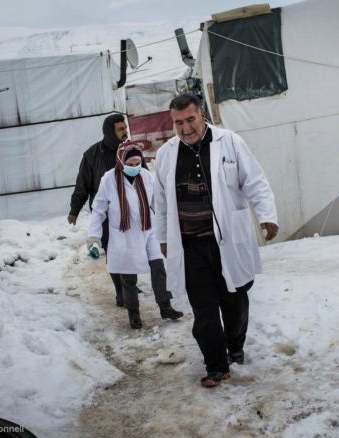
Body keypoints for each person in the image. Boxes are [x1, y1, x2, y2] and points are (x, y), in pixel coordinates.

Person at [153, 93, 279, 387]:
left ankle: (235, 344)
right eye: (178, 123)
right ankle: (215, 365)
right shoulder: (166, 154)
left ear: (202, 116)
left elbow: (255, 181)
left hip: (227, 242)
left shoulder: (229, 142)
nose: (185, 128)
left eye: (190, 120)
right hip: (190, 245)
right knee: (204, 309)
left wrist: (267, 215)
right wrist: (162, 238)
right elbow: (160, 202)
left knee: (235, 302)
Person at [87, 142, 183, 329]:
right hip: (124, 234)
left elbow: (157, 204)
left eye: (137, 163)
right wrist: (94, 237)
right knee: (128, 277)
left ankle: (165, 306)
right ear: (121, 161)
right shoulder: (109, 179)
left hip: (148, 229)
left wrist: (170, 225)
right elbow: (98, 210)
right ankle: (134, 313)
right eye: (130, 164)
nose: (134, 167)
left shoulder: (146, 176)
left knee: (158, 268)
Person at [69, 114, 129, 306]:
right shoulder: (92, 155)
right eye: (120, 129)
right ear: (110, 132)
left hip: (129, 212)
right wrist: (74, 209)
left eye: (125, 127)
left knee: (130, 251)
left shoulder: (130, 151)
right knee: (113, 252)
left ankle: (128, 285)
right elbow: (82, 185)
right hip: (106, 215)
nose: (125, 131)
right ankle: (121, 292)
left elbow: (144, 179)